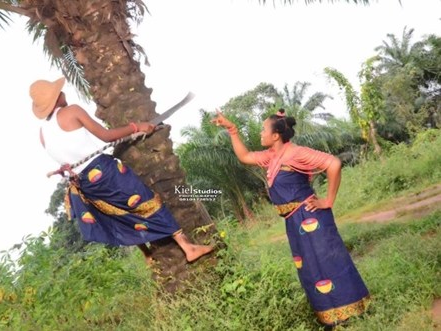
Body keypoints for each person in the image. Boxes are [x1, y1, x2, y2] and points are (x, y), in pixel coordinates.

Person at [29, 77, 213, 264]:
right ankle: (187, 247)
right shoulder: (71, 111)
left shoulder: (42, 134)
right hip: (102, 171)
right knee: (145, 200)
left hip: (84, 183)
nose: (63, 93)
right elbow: (106, 136)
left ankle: (147, 254)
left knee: (118, 211)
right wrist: (136, 127)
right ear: (56, 99)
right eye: (59, 92)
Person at [211, 108, 370, 326]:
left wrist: (328, 200)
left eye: (263, 130)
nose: (260, 133)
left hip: (312, 217)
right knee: (312, 269)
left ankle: (352, 313)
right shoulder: (271, 156)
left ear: (275, 135)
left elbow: (333, 164)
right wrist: (232, 130)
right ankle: (331, 318)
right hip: (294, 221)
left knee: (329, 262)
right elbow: (245, 156)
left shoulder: (296, 153)